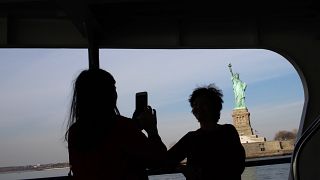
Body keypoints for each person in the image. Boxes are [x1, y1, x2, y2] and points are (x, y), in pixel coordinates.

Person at [65, 68, 166, 180]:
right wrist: (152, 130)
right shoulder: (122, 127)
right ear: (108, 95)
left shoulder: (75, 132)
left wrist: (134, 125)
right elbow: (160, 160)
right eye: (113, 88)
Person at [165, 84, 246, 180]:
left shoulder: (192, 138)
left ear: (214, 108)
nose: (198, 108)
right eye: (195, 105)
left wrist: (184, 169)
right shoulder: (228, 131)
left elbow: (165, 161)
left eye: (203, 104)